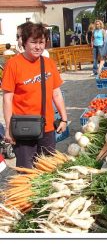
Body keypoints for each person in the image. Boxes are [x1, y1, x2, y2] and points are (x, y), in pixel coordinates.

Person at [1, 22, 67, 169]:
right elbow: (7, 98)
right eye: (33, 42)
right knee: (26, 170)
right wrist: (8, 128)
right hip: (23, 127)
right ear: (24, 42)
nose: (38, 46)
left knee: (48, 168)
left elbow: (56, 93)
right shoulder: (13, 65)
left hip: (47, 125)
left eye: (41, 42)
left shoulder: (49, 63)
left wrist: (64, 118)